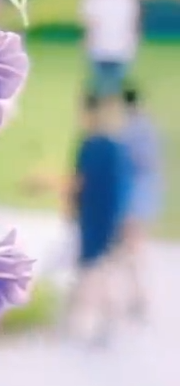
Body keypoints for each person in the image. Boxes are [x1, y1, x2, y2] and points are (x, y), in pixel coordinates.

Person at [66, 93, 133, 345]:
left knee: (91, 267)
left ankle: (86, 317)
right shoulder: (113, 146)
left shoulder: (91, 145)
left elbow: (79, 182)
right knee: (100, 265)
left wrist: (72, 208)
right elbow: (120, 188)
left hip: (93, 215)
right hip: (105, 215)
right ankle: (103, 315)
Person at [119, 85, 162, 318]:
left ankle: (137, 297)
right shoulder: (149, 127)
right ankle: (137, 297)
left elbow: (130, 164)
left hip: (132, 200)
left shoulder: (128, 131)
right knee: (134, 251)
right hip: (146, 197)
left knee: (130, 252)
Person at [79, 0, 140, 95]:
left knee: (100, 83)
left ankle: (101, 108)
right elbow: (133, 24)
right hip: (120, 47)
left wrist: (86, 42)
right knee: (115, 83)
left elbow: (90, 23)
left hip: (100, 47)